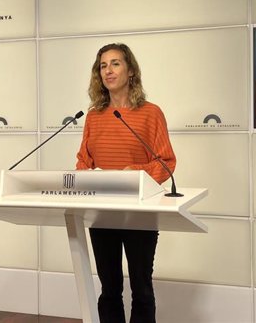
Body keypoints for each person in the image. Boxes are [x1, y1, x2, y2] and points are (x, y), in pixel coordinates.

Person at [76, 43, 176, 323]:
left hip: (140, 212)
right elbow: (83, 161)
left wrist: (137, 173)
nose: (108, 70)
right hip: (102, 212)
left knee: (142, 290)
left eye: (116, 63)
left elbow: (166, 161)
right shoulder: (94, 116)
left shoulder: (150, 113)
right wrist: (87, 174)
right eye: (103, 65)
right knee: (109, 290)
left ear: (130, 71)